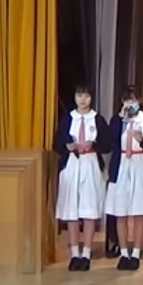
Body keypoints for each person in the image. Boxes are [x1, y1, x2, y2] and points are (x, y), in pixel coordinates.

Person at [54, 83, 109, 272]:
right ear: (75, 97)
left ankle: (86, 252)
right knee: (72, 210)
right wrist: (68, 146)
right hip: (72, 165)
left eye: (86, 96)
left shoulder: (98, 119)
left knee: (89, 209)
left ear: (91, 98)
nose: (83, 100)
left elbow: (107, 143)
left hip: (91, 164)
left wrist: (94, 143)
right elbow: (57, 142)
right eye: (80, 95)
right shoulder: (68, 118)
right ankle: (74, 253)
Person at [106, 85, 143, 271]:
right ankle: (123, 252)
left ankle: (136, 252)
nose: (130, 104)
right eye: (127, 100)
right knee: (120, 212)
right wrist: (119, 120)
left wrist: (141, 139)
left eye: (134, 100)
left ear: (139, 101)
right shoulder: (117, 120)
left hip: (139, 164)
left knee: (138, 212)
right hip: (121, 164)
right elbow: (107, 142)